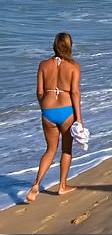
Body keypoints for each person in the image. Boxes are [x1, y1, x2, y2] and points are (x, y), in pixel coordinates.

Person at [26, 33, 82, 202]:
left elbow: (39, 92)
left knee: (50, 150)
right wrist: (79, 119)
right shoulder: (74, 66)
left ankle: (36, 185)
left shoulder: (43, 65)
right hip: (67, 111)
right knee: (66, 150)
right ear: (69, 45)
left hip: (48, 111)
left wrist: (44, 108)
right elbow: (75, 92)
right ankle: (62, 186)